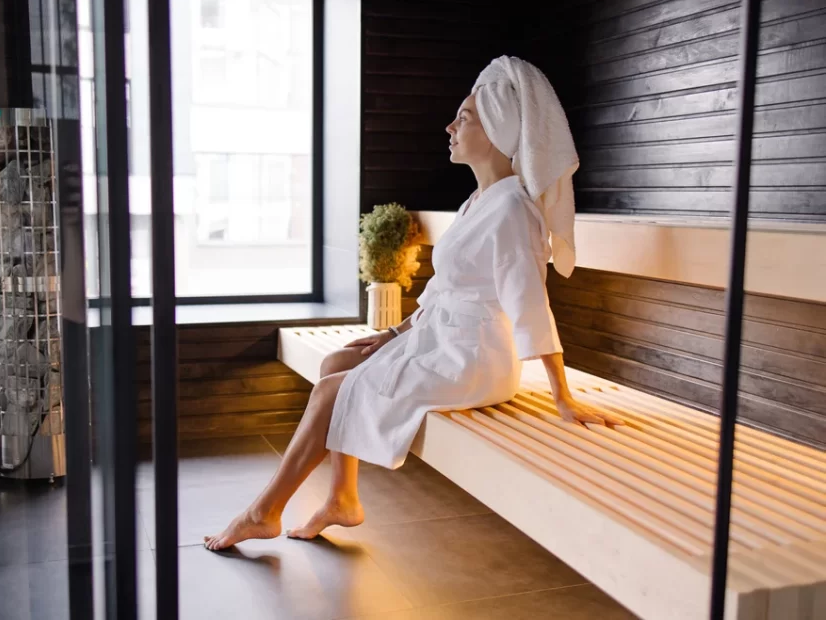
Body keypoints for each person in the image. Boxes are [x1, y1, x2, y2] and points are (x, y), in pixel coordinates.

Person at [204, 56, 619, 551]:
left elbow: (529, 301)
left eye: (463, 117)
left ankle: (263, 511)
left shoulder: (511, 209)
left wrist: (562, 396)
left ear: (496, 131)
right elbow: (445, 290)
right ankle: (342, 497)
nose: (450, 126)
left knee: (330, 390)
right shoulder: (478, 203)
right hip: (439, 340)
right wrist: (395, 333)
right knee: (339, 361)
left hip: (473, 358)